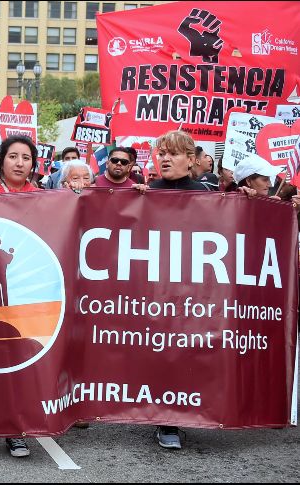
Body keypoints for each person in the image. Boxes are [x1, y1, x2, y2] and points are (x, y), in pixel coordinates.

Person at [0, 134, 40, 458]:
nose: (19, 163)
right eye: (13, 156)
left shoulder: (44, 200)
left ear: (33, 163)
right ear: (1, 161)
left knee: (25, 363)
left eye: (26, 158)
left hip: (29, 293)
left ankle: (17, 429)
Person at [146, 130, 206, 449]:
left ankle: (180, 413)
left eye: (173, 153)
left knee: (186, 352)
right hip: (155, 291)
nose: (165, 158)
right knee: (160, 351)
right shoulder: (147, 192)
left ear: (191, 160)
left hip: (195, 291)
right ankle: (165, 419)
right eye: (161, 152)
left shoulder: (210, 195)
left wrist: (250, 203)